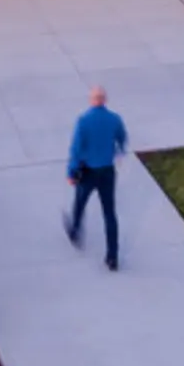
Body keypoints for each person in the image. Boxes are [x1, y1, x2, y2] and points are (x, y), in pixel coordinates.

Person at [64, 85, 128, 270]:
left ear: (92, 100)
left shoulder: (83, 121)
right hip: (107, 171)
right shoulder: (114, 119)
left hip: (88, 172)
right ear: (105, 100)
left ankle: (75, 231)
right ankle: (112, 256)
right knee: (109, 213)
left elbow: (76, 149)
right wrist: (118, 152)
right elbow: (122, 139)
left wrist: (71, 172)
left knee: (80, 202)